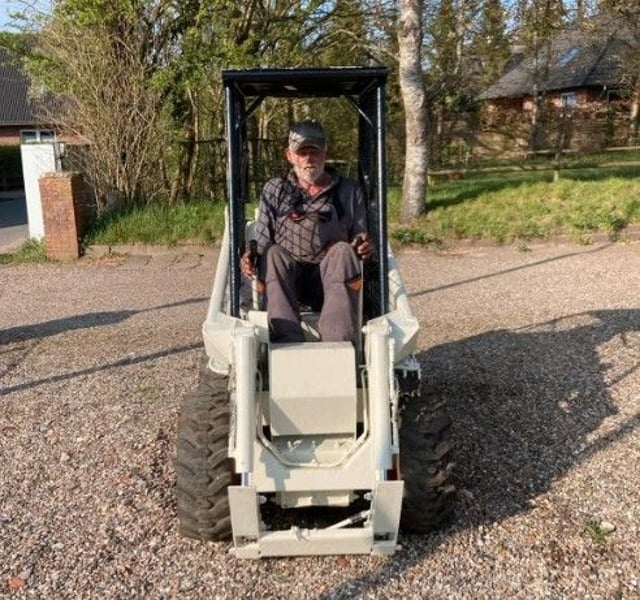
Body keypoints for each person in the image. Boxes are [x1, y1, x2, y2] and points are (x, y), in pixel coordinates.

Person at [240, 119, 373, 343]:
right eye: (302, 153)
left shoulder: (350, 191)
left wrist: (364, 245)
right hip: (288, 280)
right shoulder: (275, 189)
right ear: (289, 155)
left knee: (343, 250)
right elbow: (261, 242)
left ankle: (337, 343)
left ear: (325, 153)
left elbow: (360, 238)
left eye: (315, 151)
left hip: (332, 278)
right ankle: (286, 341)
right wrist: (249, 257)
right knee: (272, 254)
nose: (309, 159)